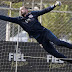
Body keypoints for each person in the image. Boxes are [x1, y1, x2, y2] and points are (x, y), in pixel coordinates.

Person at [0, 1, 72, 63]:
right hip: (40, 40)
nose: (20, 10)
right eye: (20, 10)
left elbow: (44, 10)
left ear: (26, 10)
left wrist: (54, 5)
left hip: (45, 32)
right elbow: (7, 18)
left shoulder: (33, 14)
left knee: (58, 42)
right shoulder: (19, 20)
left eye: (22, 9)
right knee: (55, 54)